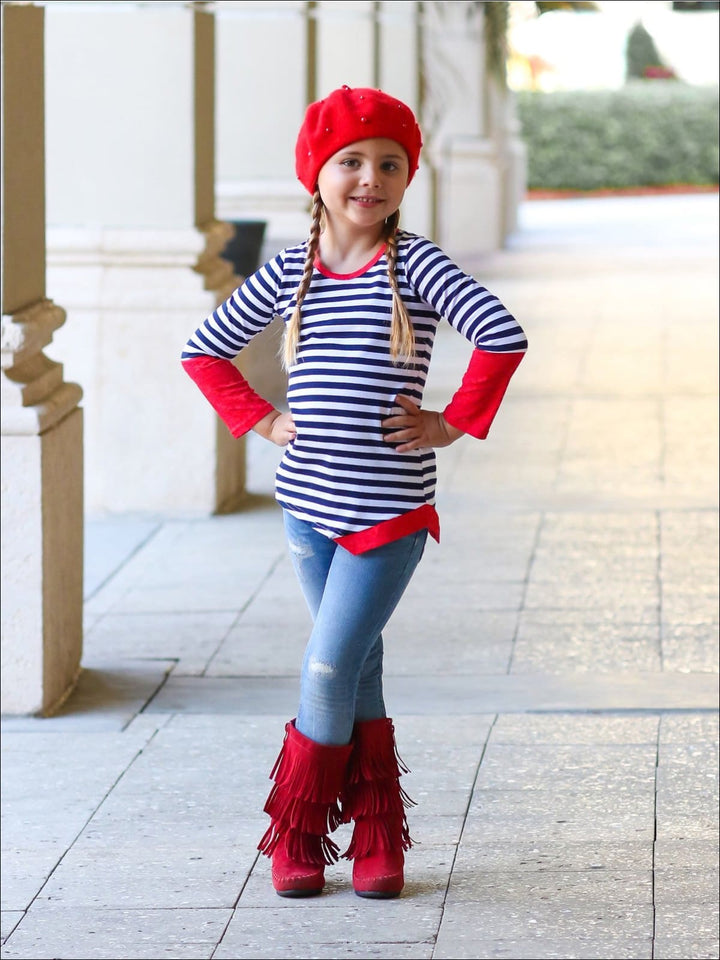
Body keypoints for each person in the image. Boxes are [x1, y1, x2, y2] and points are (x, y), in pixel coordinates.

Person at [181, 85, 527, 900]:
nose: (369, 178)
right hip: (305, 508)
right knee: (360, 667)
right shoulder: (288, 273)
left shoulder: (419, 266)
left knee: (329, 663)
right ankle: (378, 832)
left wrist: (449, 423)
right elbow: (205, 351)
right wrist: (262, 423)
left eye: (389, 164)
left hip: (388, 513)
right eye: (350, 162)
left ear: (407, 179)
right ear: (317, 174)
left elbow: (502, 336)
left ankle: (296, 829)